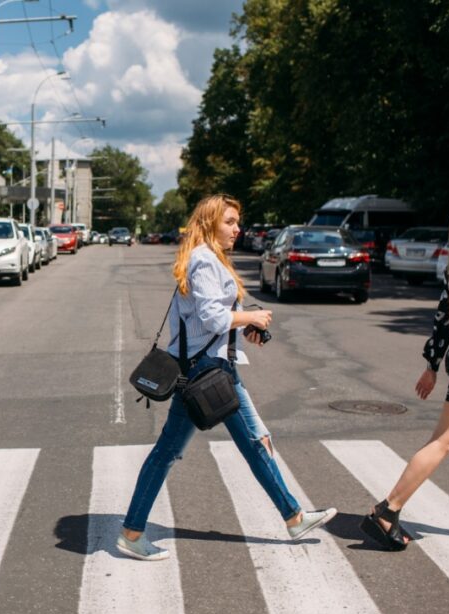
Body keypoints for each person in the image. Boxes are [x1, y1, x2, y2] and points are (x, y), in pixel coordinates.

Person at [116, 195, 337, 561]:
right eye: (231, 222)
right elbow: (212, 319)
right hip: (206, 372)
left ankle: (293, 516)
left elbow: (213, 319)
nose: (239, 229)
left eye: (238, 222)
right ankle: (132, 531)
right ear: (209, 223)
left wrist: (245, 327)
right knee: (233, 445)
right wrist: (251, 318)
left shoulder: (209, 258)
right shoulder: (203, 260)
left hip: (212, 367)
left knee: (241, 443)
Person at [361, 192, 449, 551]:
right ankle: (387, 509)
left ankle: (387, 510)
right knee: (443, 441)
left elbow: (442, 320)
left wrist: (432, 365)